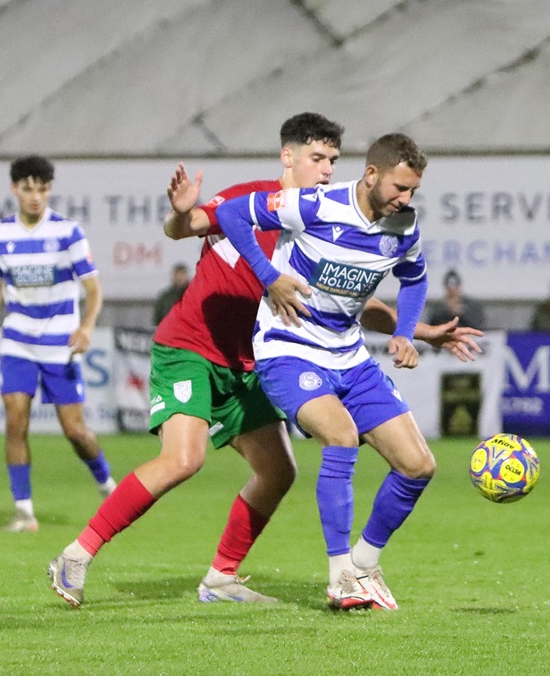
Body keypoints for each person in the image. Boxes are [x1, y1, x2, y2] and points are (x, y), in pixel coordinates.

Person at [48, 115, 482, 609]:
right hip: (193, 346)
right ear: (288, 157)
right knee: (183, 460)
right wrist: (177, 214)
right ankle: (77, 554)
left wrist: (419, 332)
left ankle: (221, 578)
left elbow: (354, 300)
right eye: (316, 159)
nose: (324, 170)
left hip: (251, 360)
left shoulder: (317, 222)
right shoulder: (256, 200)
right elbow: (185, 226)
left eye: (332, 161)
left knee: (278, 472)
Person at [214, 132, 439, 611]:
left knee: (419, 466)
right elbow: (231, 214)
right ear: (371, 174)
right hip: (289, 347)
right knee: (340, 436)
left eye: (413, 191)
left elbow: (415, 279)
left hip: (351, 357)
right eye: (400, 188)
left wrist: (403, 331)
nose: (406, 199)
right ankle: (340, 578)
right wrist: (269, 276)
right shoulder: (314, 206)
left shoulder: (404, 228)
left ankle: (363, 562)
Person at [0, 155, 116, 533]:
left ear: (48, 189)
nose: (35, 197)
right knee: (15, 421)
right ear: (15, 190)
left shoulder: (68, 232)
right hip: (17, 342)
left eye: (42, 189)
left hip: (60, 344)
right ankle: (24, 512)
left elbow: (93, 289)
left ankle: (108, 487)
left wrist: (87, 326)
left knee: (75, 431)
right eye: (28, 189)